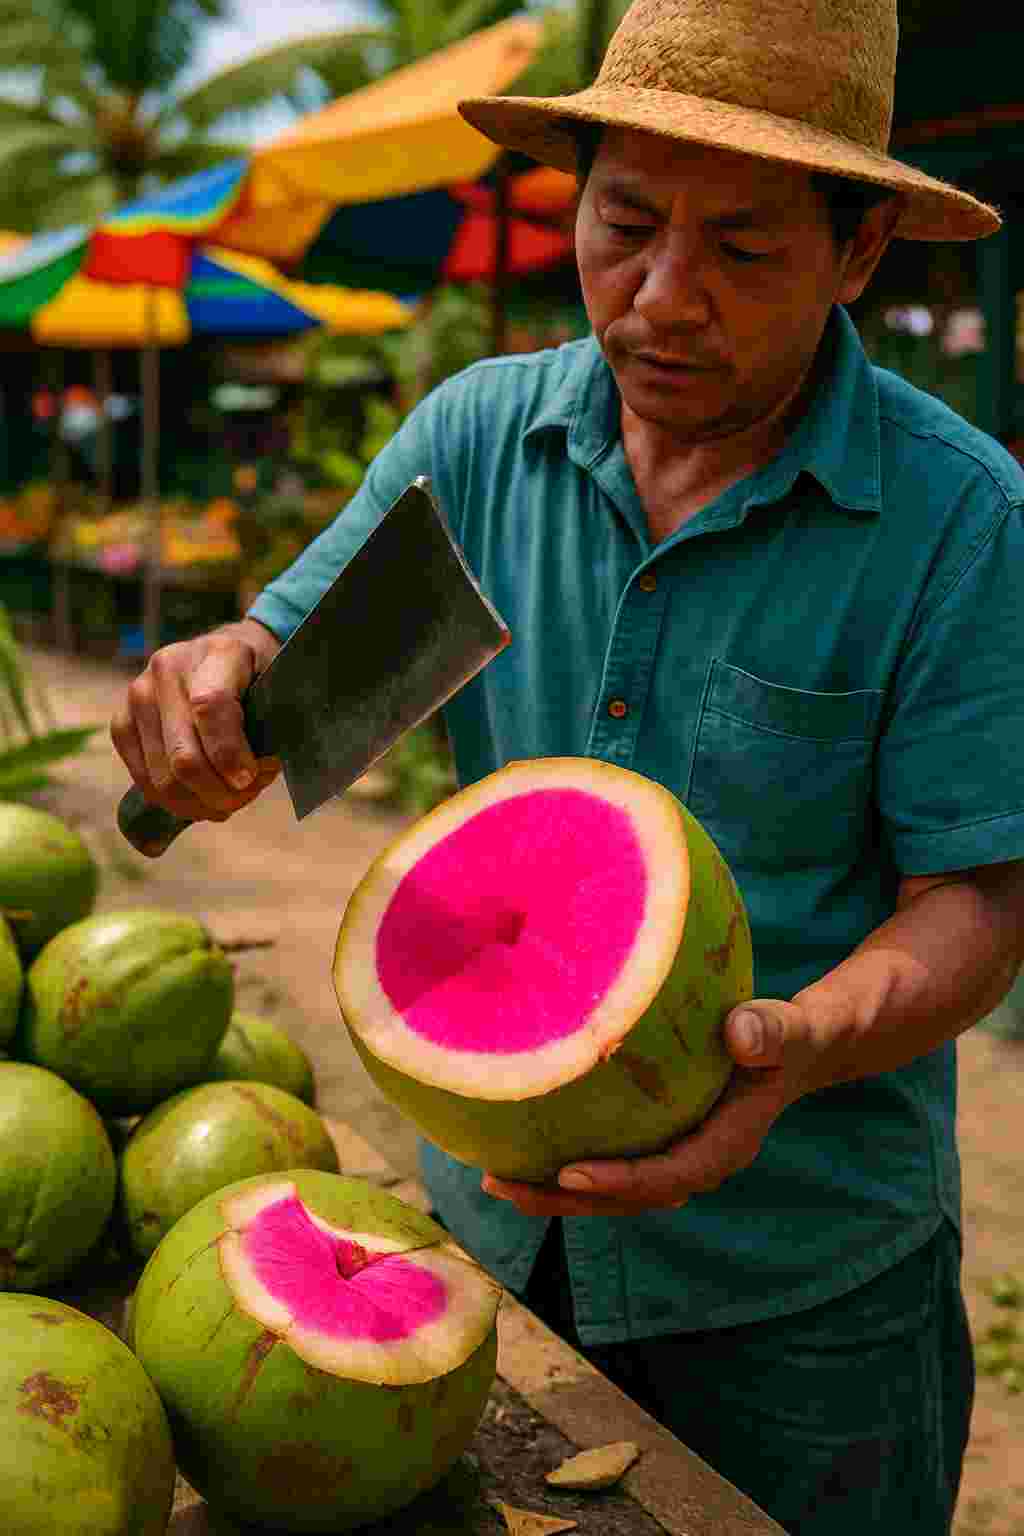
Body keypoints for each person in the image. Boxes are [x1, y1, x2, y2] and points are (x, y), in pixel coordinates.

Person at [111, 0, 1024, 1529]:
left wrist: (794, 1044)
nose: (663, 299)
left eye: (742, 249)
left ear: (859, 254)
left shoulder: (960, 519)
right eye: (626, 224)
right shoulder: (474, 440)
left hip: (797, 1289)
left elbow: (982, 902)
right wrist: (214, 692)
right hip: (480, 1249)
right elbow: (277, 668)